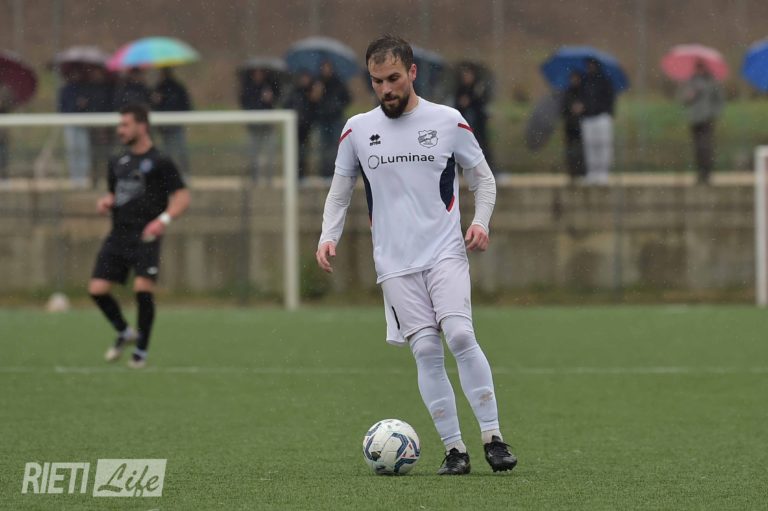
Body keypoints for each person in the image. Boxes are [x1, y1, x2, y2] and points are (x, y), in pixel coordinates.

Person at [315, 35, 517, 475]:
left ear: (412, 72)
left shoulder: (447, 121)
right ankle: (455, 450)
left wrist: (481, 221)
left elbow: (483, 178)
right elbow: (339, 191)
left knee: (459, 336)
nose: (385, 89)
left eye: (392, 78)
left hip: (445, 251)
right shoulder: (357, 129)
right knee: (426, 349)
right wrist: (328, 235)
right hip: (394, 263)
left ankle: (493, 438)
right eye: (376, 81)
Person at [88, 103, 190, 369]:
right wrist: (106, 201)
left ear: (142, 126)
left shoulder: (161, 161)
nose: (120, 130)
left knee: (142, 289)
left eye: (125, 124)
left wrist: (162, 220)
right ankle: (124, 332)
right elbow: (116, 194)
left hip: (146, 236)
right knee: (97, 290)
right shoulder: (117, 161)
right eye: (119, 124)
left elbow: (182, 197)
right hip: (118, 235)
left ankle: (140, 352)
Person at [679, 60, 724, 185]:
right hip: (694, 119)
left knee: (706, 146)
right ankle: (700, 173)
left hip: (707, 119)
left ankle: (707, 173)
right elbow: (683, 99)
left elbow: (719, 100)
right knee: (697, 147)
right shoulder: (690, 82)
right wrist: (689, 96)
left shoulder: (712, 82)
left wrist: (713, 113)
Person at [239, 67, 280, 181]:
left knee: (270, 153)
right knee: (253, 153)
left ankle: (269, 179)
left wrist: (270, 98)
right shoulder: (248, 88)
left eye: (260, 72)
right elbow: (245, 103)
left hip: (268, 126)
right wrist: (259, 100)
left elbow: (277, 100)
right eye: (256, 73)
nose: (258, 75)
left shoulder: (269, 86)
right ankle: (255, 178)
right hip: (254, 126)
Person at [580, 58, 615, 185]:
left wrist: (609, 113)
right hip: (587, 118)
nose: (590, 67)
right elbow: (581, 98)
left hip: (602, 117)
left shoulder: (605, 81)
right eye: (588, 65)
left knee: (603, 145)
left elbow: (610, 99)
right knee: (589, 146)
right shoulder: (584, 81)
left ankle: (603, 172)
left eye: (592, 64)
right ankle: (592, 172)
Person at [152, 68, 193, 175]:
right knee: (167, 152)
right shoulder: (159, 89)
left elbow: (186, 104)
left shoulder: (177, 88)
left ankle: (184, 173)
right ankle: (167, 175)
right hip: (164, 127)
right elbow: (154, 106)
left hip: (176, 124)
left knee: (180, 151)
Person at [315, 60, 351, 178]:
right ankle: (325, 172)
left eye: (328, 68)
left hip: (336, 119)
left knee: (336, 146)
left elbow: (347, 98)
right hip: (323, 119)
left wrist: (337, 106)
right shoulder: (318, 83)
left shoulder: (338, 83)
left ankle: (336, 171)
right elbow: (313, 100)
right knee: (324, 146)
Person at [58, 66, 92, 187]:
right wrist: (74, 106)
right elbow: (62, 108)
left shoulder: (84, 89)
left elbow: (88, 105)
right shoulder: (65, 90)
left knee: (83, 149)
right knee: (72, 149)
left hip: (82, 122)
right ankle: (74, 177)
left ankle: (83, 176)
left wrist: (83, 105)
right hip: (70, 123)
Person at [455, 64, 492, 167]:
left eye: (468, 75)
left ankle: (486, 166)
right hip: (465, 122)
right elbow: (458, 104)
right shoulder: (461, 88)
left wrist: (470, 100)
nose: (466, 77)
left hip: (478, 122)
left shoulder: (478, 87)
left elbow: (481, 102)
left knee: (481, 143)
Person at [283, 70, 316, 180]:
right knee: (293, 152)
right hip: (294, 128)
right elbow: (286, 105)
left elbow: (315, 110)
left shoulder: (312, 92)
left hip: (306, 128)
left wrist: (315, 98)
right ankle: (293, 175)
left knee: (304, 153)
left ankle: (302, 175)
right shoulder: (293, 92)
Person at [562, 71, 586, 182]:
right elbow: (564, 109)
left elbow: (588, 105)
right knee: (570, 151)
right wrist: (571, 108)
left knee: (582, 151)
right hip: (570, 126)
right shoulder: (567, 93)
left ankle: (582, 172)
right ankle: (572, 173)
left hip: (581, 126)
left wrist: (582, 108)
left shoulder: (583, 92)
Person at [0, 83, 14, 180]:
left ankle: (4, 177)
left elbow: (9, 104)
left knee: (3, 155)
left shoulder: (5, 91)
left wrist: (2, 102)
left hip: (2, 133)